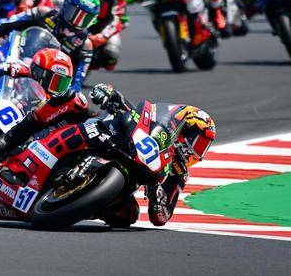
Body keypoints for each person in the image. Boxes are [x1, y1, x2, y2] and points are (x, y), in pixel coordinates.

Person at [90, 83, 215, 227]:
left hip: (124, 181)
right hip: (107, 138)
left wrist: (159, 199)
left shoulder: (179, 171)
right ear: (184, 131)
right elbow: (128, 107)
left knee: (128, 213)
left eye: (204, 147)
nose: (198, 151)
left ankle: (84, 206)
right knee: (81, 108)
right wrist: (110, 94)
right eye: (198, 143)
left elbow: (162, 217)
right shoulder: (154, 121)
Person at [0, 0, 99, 92]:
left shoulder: (85, 44)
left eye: (85, 18)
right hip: (16, 60)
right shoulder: (43, 13)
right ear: (66, 5)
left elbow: (77, 81)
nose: (77, 22)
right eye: (76, 14)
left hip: (44, 84)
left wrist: (70, 94)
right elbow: (6, 23)